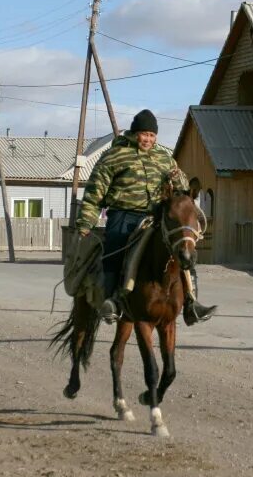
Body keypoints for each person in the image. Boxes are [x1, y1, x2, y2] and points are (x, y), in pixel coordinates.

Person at [76, 109, 216, 326]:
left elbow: (182, 189)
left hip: (156, 216)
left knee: (183, 250)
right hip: (124, 215)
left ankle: (191, 303)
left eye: (152, 135)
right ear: (135, 133)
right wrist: (85, 223)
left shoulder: (164, 158)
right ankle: (112, 301)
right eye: (144, 134)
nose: (148, 139)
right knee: (115, 248)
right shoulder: (114, 156)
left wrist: (178, 179)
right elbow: (95, 192)